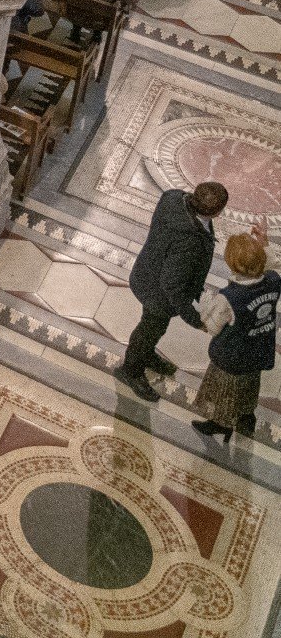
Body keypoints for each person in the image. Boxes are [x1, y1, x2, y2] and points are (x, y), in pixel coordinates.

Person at [119, 180, 230, 401]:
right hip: (158, 293)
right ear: (218, 212)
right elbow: (172, 284)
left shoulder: (172, 198)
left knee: (151, 328)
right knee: (149, 330)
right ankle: (130, 370)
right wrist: (194, 319)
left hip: (148, 271)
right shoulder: (190, 240)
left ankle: (145, 355)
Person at [190, 231, 281, 442]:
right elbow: (272, 266)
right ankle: (247, 417)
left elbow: (212, 327)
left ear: (232, 265)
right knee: (250, 386)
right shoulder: (273, 281)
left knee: (225, 392)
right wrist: (264, 243)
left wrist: (205, 304)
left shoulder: (229, 297)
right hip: (258, 351)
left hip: (232, 356)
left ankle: (220, 424)